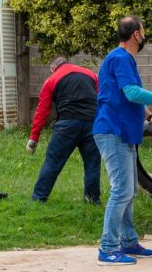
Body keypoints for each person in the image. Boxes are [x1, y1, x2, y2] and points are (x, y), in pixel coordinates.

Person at [93, 15, 152, 266]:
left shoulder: (124, 59)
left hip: (123, 130)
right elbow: (132, 93)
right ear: (136, 35)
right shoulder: (120, 59)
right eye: (143, 31)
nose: (144, 35)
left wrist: (150, 116)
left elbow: (124, 96)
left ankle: (128, 242)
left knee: (128, 190)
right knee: (121, 190)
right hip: (113, 130)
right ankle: (107, 249)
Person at [27, 55, 101, 204]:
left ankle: (38, 199)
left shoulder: (52, 80)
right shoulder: (91, 75)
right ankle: (92, 201)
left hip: (67, 125)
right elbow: (101, 98)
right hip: (92, 124)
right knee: (92, 164)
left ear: (53, 68)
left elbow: (42, 111)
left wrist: (34, 138)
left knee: (53, 162)